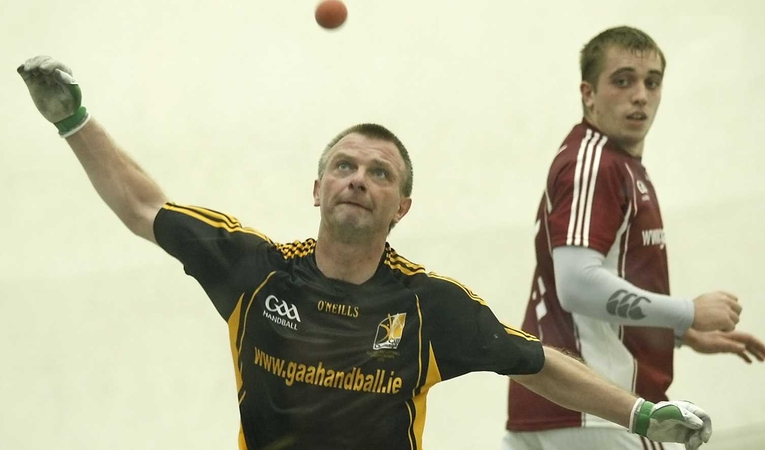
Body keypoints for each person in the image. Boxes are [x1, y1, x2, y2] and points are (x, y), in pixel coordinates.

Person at [19, 55, 714, 450]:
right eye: (346, 167)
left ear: (400, 207)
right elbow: (144, 207)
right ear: (318, 187)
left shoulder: (430, 306)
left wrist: (641, 414)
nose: (360, 178)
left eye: (380, 173)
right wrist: (73, 120)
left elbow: (537, 363)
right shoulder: (254, 270)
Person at [503, 26, 765, 450]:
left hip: (554, 409)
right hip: (596, 411)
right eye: (623, 80)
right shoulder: (596, 164)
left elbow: (579, 290)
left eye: (652, 81)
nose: (641, 94)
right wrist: (686, 313)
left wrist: (676, 332)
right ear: (588, 93)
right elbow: (576, 285)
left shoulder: (613, 163)